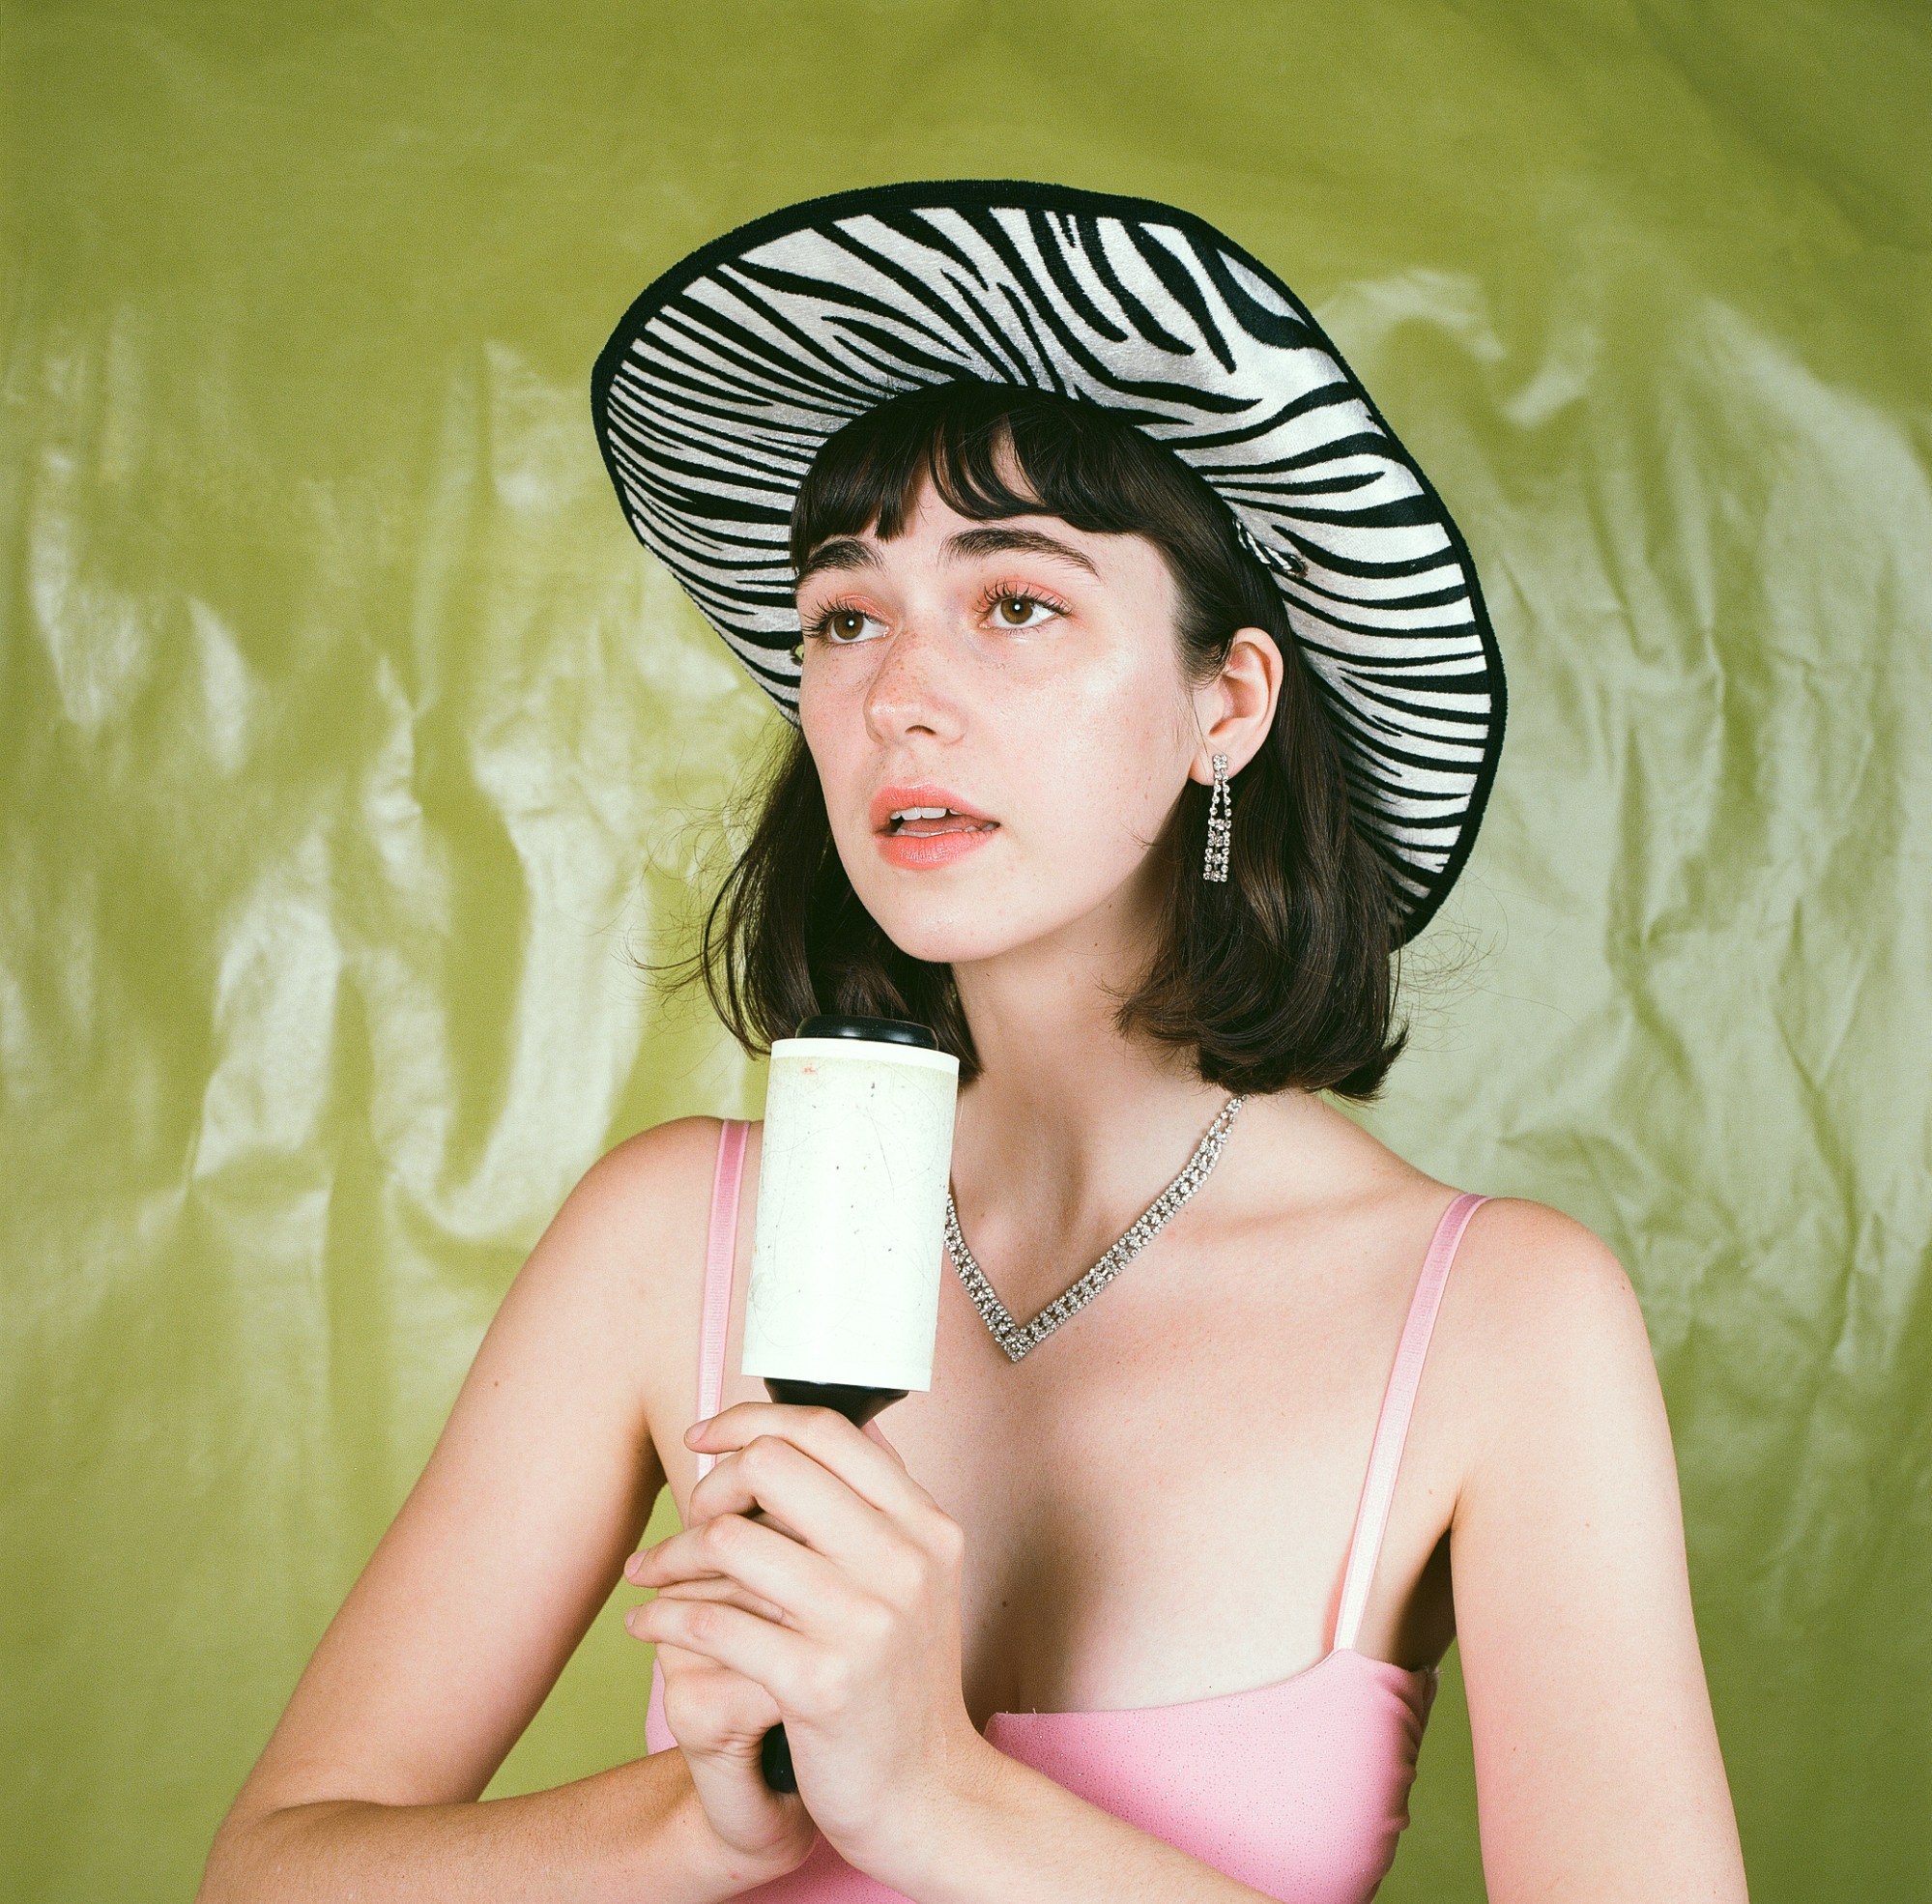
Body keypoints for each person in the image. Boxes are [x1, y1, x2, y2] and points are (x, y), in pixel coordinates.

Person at [198, 184, 1750, 1903]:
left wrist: (935, 1794)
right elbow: (271, 1877)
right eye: (845, 617)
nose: (897, 697)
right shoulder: (673, 1235)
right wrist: (704, 1822)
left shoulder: (1499, 1322)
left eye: (1015, 603)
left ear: (1228, 701)